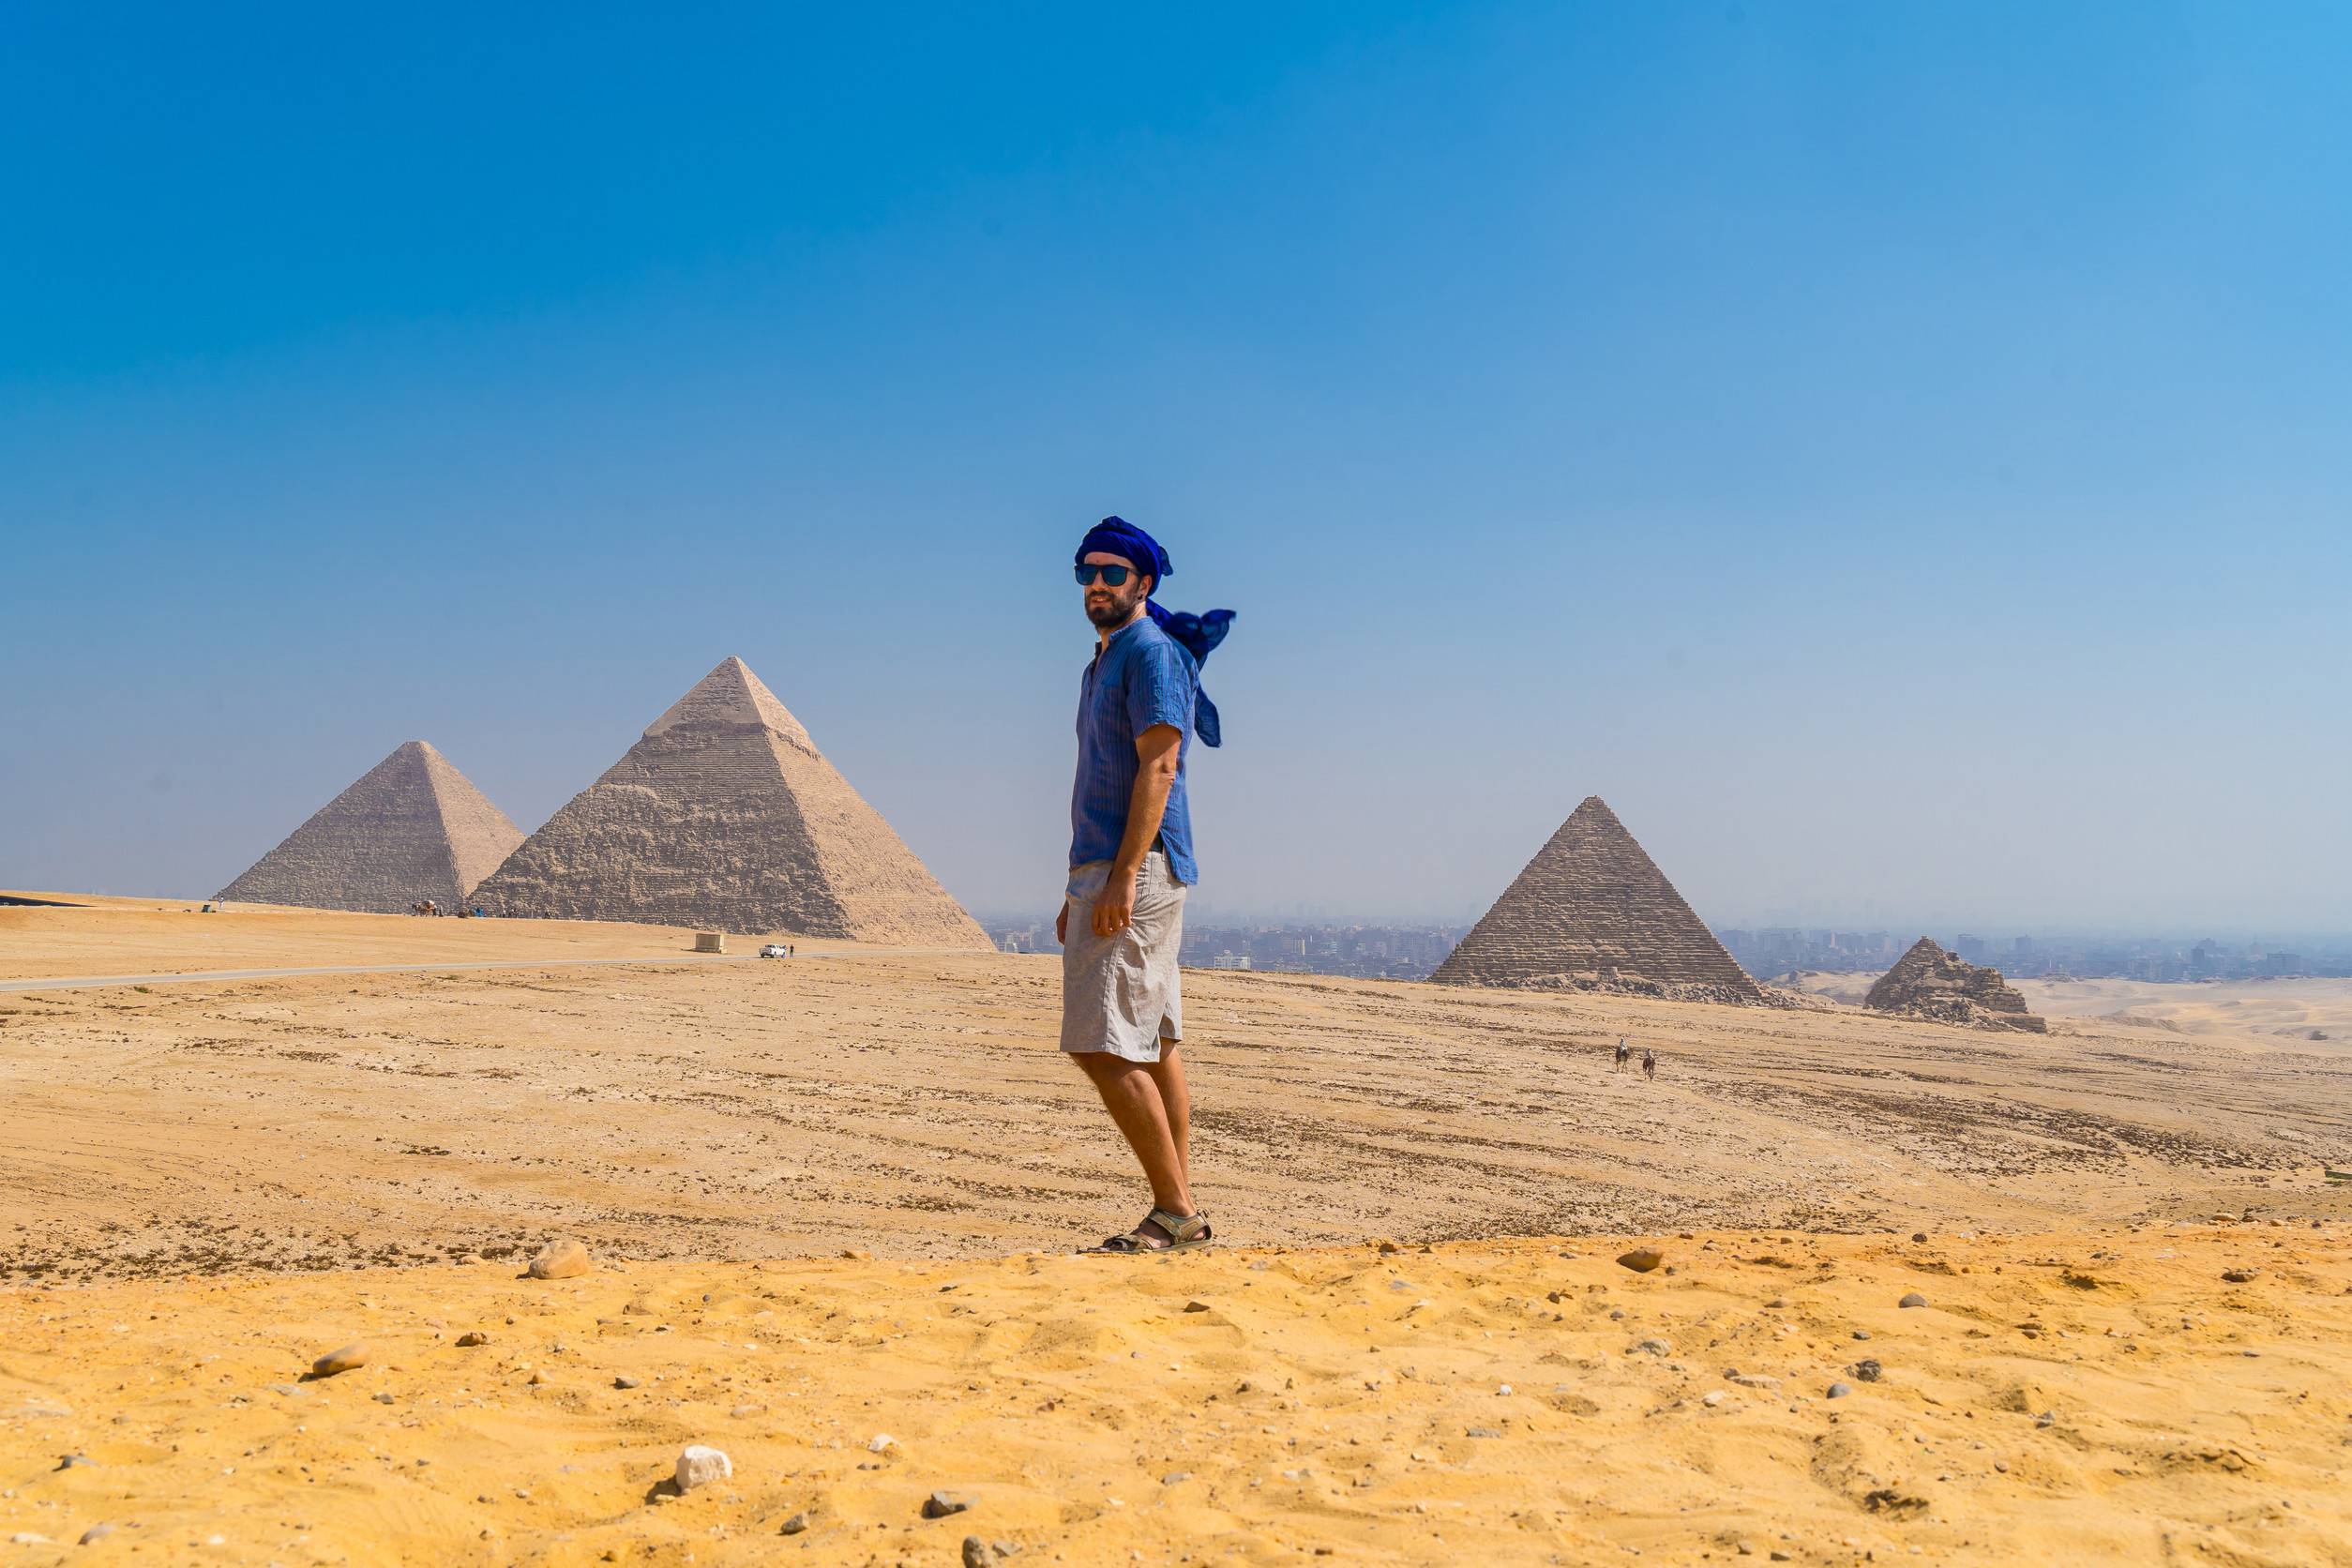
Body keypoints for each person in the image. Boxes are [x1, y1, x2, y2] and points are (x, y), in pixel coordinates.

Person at [1059, 516, 1234, 1255]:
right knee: (1155, 1042)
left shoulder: (1151, 655)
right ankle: (1180, 1209)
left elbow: (1160, 769)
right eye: (1086, 573)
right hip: (1107, 866)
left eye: (1112, 573)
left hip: (1141, 865)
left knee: (1102, 1047)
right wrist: (1079, 885)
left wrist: (1122, 877)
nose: (1097, 584)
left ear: (1144, 582)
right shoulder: (1103, 660)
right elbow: (1098, 781)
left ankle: (1175, 1210)